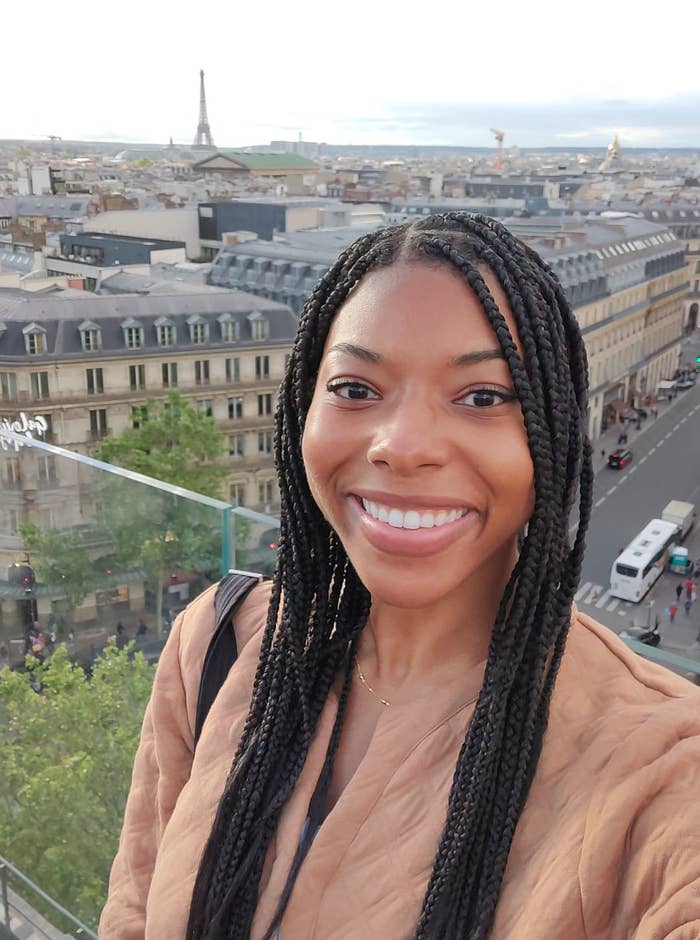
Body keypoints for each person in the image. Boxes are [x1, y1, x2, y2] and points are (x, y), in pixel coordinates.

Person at [101, 214, 700, 939]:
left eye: (482, 396)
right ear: (302, 409)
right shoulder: (216, 644)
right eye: (356, 388)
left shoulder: (668, 770)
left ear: (551, 426)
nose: (403, 447)